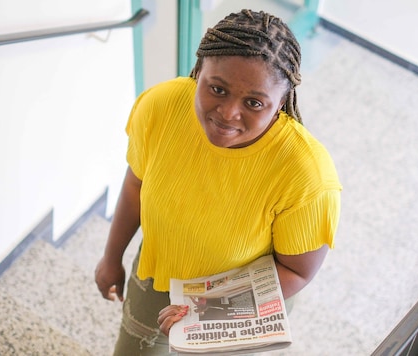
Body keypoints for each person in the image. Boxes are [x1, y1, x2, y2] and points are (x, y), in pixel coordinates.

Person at [94, 9, 342, 355]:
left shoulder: (307, 175)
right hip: (160, 275)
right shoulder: (160, 107)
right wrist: (111, 257)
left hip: (241, 303)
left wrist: (204, 310)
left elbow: (296, 273)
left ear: (281, 102)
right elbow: (136, 184)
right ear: (199, 72)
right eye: (217, 89)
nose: (228, 114)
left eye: (254, 102)